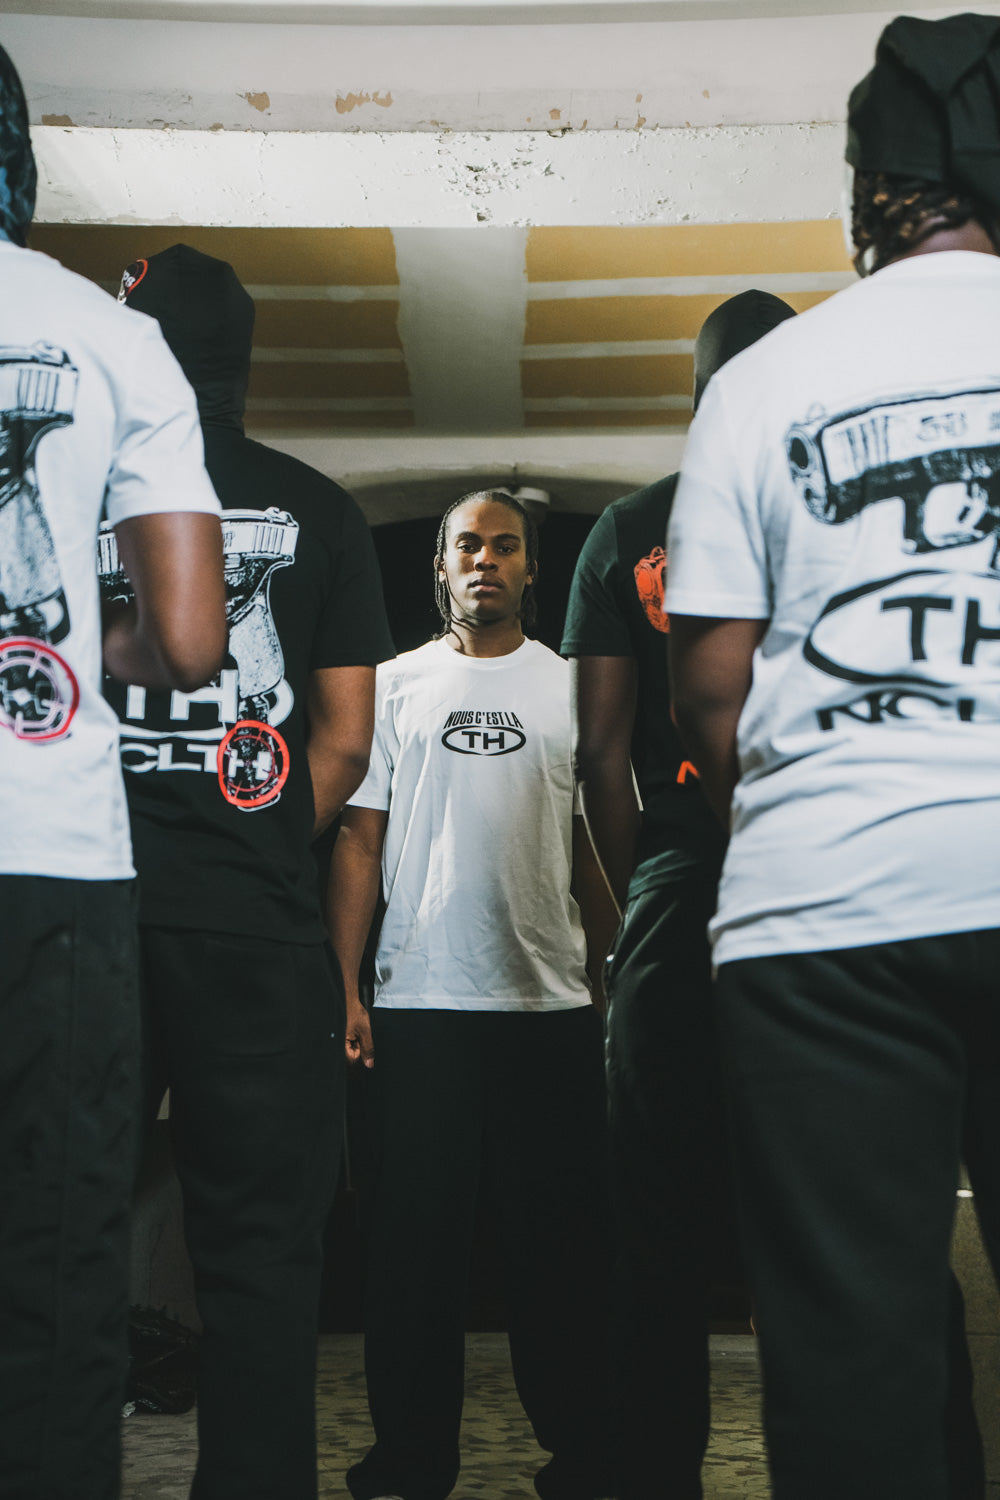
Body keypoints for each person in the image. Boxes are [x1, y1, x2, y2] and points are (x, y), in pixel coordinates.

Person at [665, 14, 1000, 1499]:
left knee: (851, 1364)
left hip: (827, 915)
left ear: (867, 191)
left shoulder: (762, 380)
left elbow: (710, 691)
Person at [106, 244, 394, 1500]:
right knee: (263, 1260)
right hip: (258, 934)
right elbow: (344, 740)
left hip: (92, 921)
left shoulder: (78, 491)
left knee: (51, 1238)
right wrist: (265, 837)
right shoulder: (320, 507)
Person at [0, 50, 227, 1500]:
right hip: (52, 856)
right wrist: (74, 648)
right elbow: (193, 640)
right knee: (57, 1250)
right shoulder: (111, 336)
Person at [327, 490, 617, 1500]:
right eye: (467, 546)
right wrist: (347, 986)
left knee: (560, 1252)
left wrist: (611, 980)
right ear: (441, 566)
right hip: (419, 1006)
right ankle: (410, 1461)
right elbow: (357, 841)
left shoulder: (572, 686)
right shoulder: (394, 684)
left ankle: (583, 1456)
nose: (484, 560)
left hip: (551, 1006)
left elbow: (593, 846)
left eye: (504, 546)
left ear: (531, 568)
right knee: (412, 1257)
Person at [561, 289, 795, 1500]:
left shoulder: (632, 525)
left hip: (680, 868)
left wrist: (641, 892)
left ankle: (653, 1476)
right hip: (811, 855)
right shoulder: (839, 501)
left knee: (650, 1206)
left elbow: (601, 753)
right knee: (831, 1192)